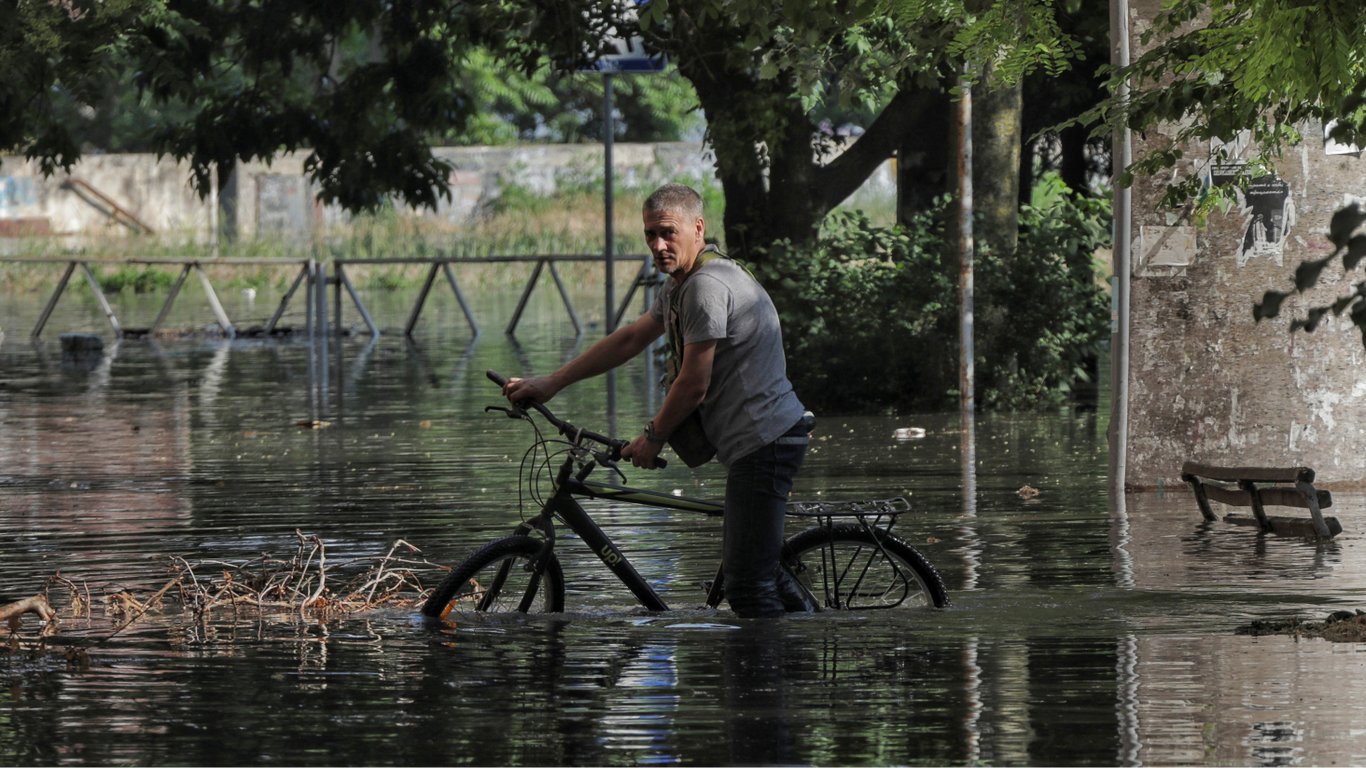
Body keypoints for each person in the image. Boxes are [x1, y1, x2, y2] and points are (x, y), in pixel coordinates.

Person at [502, 182, 816, 618]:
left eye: (667, 232)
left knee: (746, 587)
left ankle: (776, 679)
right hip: (756, 441)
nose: (658, 244)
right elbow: (631, 338)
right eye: (650, 234)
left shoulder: (707, 286)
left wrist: (652, 437)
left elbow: (693, 384)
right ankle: (805, 640)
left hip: (766, 442)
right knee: (757, 569)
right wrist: (552, 382)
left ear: (698, 227)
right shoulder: (681, 284)